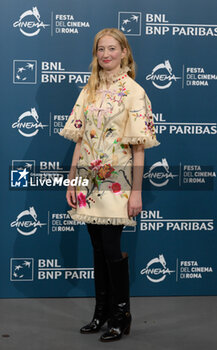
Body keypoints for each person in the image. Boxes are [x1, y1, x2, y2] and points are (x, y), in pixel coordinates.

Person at [59, 28, 160, 342]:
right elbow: (78, 141)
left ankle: (121, 315)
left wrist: (137, 192)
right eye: (100, 49)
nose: (105, 54)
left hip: (119, 183)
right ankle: (101, 313)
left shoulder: (134, 92)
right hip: (89, 182)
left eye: (112, 48)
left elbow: (139, 147)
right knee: (97, 248)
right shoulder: (88, 90)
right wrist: (73, 182)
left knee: (112, 248)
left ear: (124, 53)